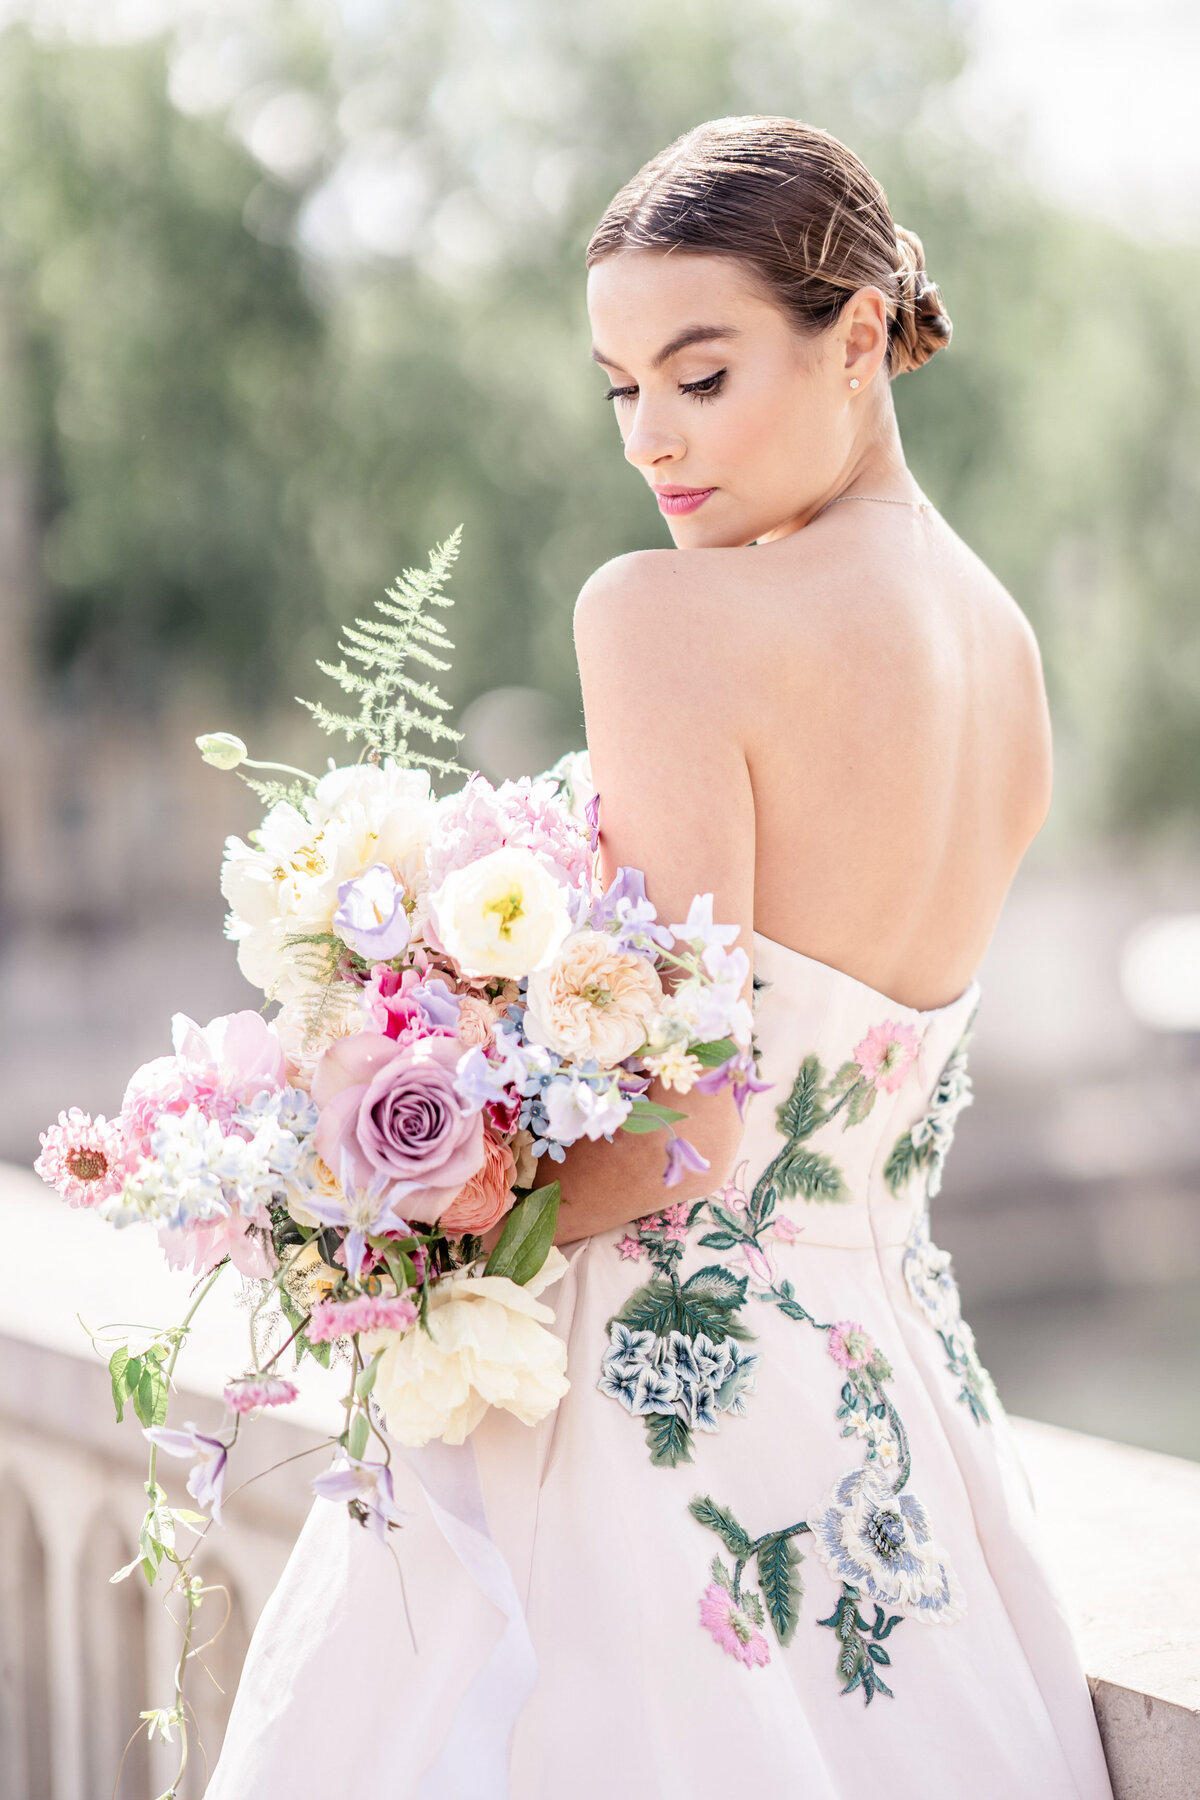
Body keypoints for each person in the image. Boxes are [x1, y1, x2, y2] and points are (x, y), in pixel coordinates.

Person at [207, 117, 1114, 1799]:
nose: (650, 444)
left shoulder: (665, 619)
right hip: (899, 1408)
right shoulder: (1006, 647)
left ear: (857, 337)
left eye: (700, 378)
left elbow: (689, 1130)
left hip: (655, 1403)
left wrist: (390, 1216)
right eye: (620, 388)